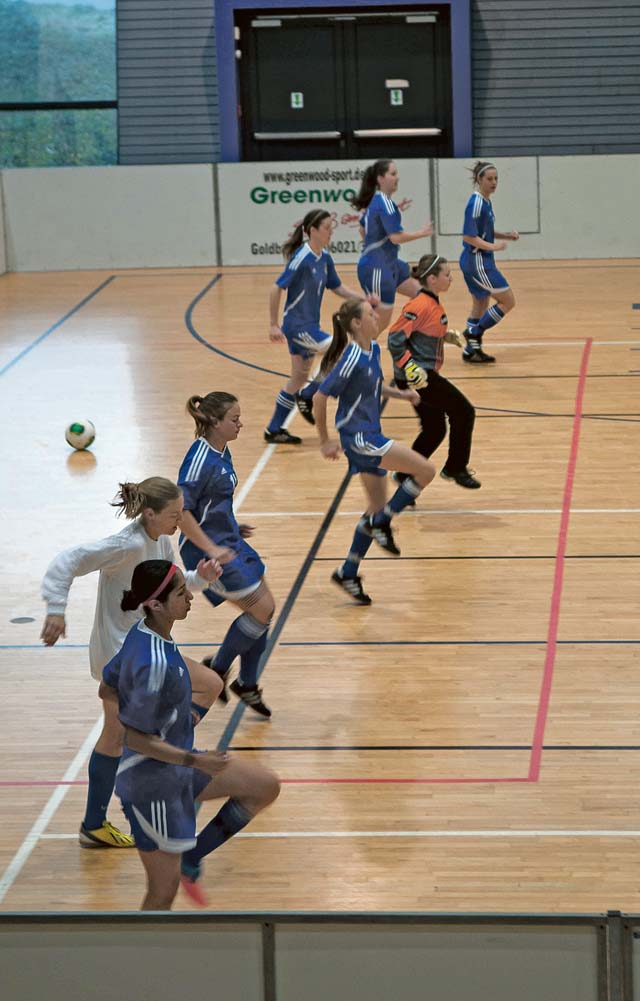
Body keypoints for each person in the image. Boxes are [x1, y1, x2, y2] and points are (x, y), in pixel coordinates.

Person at [41, 478, 224, 849]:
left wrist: (199, 580)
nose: (180, 519)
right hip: (121, 654)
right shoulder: (126, 545)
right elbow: (67, 561)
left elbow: (171, 586)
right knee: (118, 735)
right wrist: (57, 610)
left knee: (206, 686)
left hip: (144, 646)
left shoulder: (162, 540)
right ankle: (103, 814)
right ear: (150, 513)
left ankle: (137, 769)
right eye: (175, 514)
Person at [101, 559, 280, 909]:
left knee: (263, 787)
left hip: (175, 767)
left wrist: (178, 721)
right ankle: (143, 961)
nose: (190, 598)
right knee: (161, 892)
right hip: (152, 786)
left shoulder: (148, 634)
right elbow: (133, 738)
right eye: (182, 593)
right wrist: (194, 758)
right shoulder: (152, 663)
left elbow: (108, 686)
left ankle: (192, 857)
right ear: (155, 603)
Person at [314, 299, 436, 605]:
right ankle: (382, 522)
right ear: (356, 324)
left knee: (374, 507)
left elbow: (373, 385)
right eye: (370, 314)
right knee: (425, 471)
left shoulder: (373, 351)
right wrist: (325, 440)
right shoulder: (351, 356)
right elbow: (319, 397)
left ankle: (348, 571)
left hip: (370, 434)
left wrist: (400, 393)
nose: (376, 316)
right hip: (359, 437)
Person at [178, 392, 274, 717]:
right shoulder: (199, 460)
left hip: (228, 539)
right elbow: (181, 512)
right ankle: (218, 670)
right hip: (204, 552)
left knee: (263, 611)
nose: (240, 424)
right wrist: (211, 548)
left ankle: (245, 682)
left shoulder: (222, 450)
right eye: (234, 419)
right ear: (215, 423)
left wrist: (232, 524)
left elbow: (214, 502)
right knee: (262, 608)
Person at [265, 208, 377, 443]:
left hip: (309, 326)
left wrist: (362, 299)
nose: (330, 232)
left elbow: (337, 287)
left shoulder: (324, 258)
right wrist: (274, 324)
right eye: (326, 228)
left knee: (298, 377)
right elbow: (277, 288)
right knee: (342, 350)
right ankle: (308, 395)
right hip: (298, 327)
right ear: (312, 231)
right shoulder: (301, 258)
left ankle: (274, 429)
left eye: (331, 228)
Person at [388, 254, 481, 490]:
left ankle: (405, 474)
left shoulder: (431, 302)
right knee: (464, 412)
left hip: (420, 374)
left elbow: (420, 332)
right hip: (420, 377)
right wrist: (410, 367)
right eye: (447, 275)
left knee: (435, 428)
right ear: (432, 279)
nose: (451, 279)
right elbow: (395, 339)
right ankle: (455, 468)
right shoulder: (419, 304)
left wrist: (445, 336)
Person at [352, 159, 433, 333]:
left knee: (424, 295)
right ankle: (354, 353)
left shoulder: (376, 201)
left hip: (390, 264)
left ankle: (407, 335)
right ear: (381, 178)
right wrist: (422, 233)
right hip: (377, 269)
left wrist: (373, 245)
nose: (397, 178)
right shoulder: (385, 204)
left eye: (397, 174)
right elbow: (396, 237)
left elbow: (361, 228)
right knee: (375, 326)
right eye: (393, 174)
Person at [459, 160, 519, 363]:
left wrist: (506, 236)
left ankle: (471, 351)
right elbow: (468, 236)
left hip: (478, 260)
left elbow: (484, 230)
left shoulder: (485, 201)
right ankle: (474, 332)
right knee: (507, 301)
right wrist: (494, 247)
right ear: (479, 180)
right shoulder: (475, 203)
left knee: (481, 303)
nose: (494, 182)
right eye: (490, 179)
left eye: (496, 179)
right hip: (478, 261)